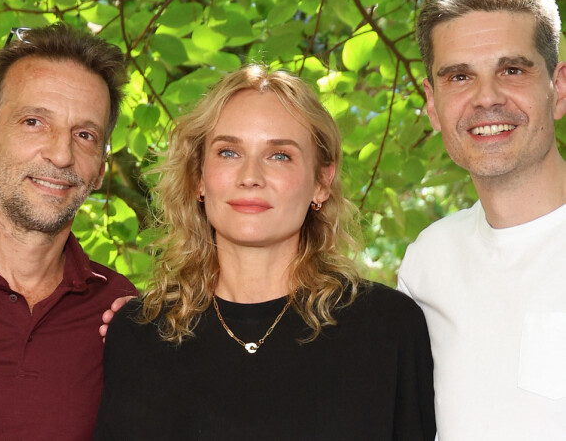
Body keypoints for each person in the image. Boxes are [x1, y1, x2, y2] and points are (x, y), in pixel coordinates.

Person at [94, 65, 436, 440]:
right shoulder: (138, 334)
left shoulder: (389, 329)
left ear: (322, 182)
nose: (250, 175)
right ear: (198, 178)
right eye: (228, 152)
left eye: (279, 156)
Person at [398, 0, 566, 440]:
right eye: (459, 76)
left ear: (559, 88)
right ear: (432, 104)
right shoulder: (428, 262)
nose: (486, 97)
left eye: (512, 70)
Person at [0, 24, 138, 440]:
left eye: (85, 135)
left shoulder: (121, 315)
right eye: (34, 121)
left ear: (101, 167)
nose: (61, 153)